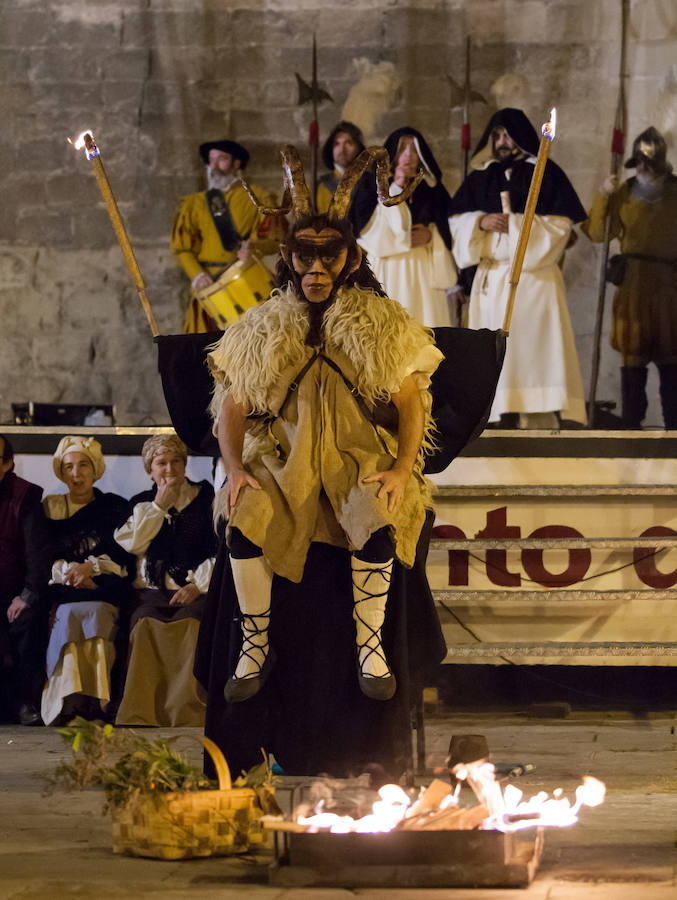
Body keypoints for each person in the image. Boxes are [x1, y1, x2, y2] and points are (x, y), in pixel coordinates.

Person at [195, 146, 446, 778]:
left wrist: (403, 466)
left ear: (350, 260)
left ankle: (371, 650)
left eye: (326, 255)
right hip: (282, 465)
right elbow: (230, 402)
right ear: (289, 259)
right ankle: (254, 647)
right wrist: (234, 468)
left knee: (379, 517)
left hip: (356, 459)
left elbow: (412, 400)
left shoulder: (377, 323)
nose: (314, 267)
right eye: (303, 255)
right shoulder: (263, 326)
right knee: (245, 517)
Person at [450, 108, 587, 428]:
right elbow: (455, 224)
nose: (502, 141)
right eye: (496, 135)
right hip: (493, 276)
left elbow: (560, 226)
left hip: (533, 281)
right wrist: (480, 221)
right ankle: (496, 414)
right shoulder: (480, 176)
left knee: (533, 348)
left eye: (508, 135)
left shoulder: (545, 172)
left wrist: (515, 224)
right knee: (494, 351)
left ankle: (538, 414)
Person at [114, 433, 216, 726]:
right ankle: (144, 711)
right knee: (145, 624)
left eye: (175, 462)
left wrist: (197, 586)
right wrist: (159, 506)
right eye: (161, 463)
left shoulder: (206, 499)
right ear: (150, 469)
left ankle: (187, 710)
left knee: (190, 626)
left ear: (185, 465)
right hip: (152, 592)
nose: (169, 469)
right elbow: (132, 544)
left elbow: (220, 550)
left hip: (197, 591)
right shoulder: (142, 504)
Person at [582, 126, 677, 428]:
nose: (642, 168)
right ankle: (631, 429)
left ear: (660, 163)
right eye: (638, 163)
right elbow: (597, 233)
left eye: (648, 163)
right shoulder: (623, 192)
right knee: (632, 355)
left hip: (669, 285)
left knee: (672, 356)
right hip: (633, 284)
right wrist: (603, 196)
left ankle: (674, 430)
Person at [41, 437, 134, 726]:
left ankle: (98, 702)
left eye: (83, 465)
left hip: (104, 590)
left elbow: (124, 556)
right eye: (68, 467)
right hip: (62, 591)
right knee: (68, 615)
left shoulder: (114, 507)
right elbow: (42, 554)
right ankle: (67, 702)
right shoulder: (49, 508)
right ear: (61, 471)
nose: (76, 473)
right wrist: (70, 573)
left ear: (95, 470)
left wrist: (92, 569)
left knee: (97, 614)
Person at [170, 139, 286, 333]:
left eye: (222, 159)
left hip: (246, 281)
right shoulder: (194, 204)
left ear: (236, 163)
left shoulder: (259, 198)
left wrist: (254, 247)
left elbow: (276, 239)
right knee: (202, 349)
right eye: (211, 160)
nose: (214, 166)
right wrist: (197, 275)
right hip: (208, 286)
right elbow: (182, 248)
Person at [351, 126, 457, 327]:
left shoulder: (432, 188)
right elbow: (365, 230)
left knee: (426, 324)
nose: (408, 155)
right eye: (402, 148)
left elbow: (450, 228)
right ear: (392, 153)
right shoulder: (370, 186)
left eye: (414, 149)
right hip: (387, 268)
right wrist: (396, 185)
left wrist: (432, 236)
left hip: (423, 268)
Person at [0, 435, 51, 726]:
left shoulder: (25, 495)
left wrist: (27, 595)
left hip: (15, 591)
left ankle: (24, 703)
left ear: (8, 464)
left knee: (27, 623)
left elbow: (37, 552)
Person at [316, 120, 365, 213]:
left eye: (348, 143)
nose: (342, 149)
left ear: (359, 148)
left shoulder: (369, 184)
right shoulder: (319, 187)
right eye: (337, 144)